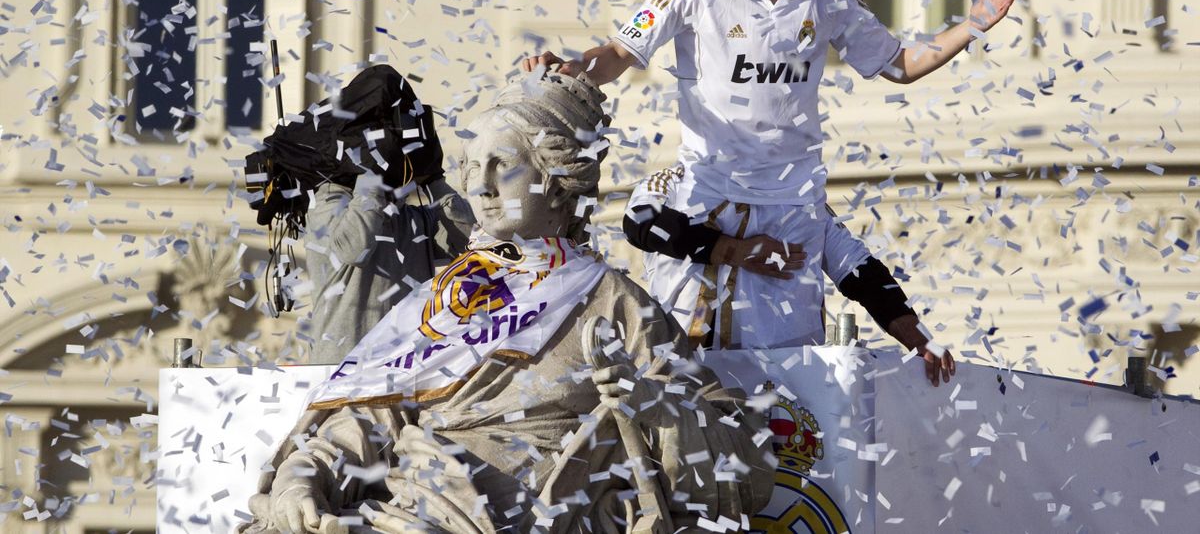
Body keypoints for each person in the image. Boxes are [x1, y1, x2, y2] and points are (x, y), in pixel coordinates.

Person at [522, 0, 1023, 386]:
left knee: (790, 401)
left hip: (792, 197)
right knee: (682, 391)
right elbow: (622, 53)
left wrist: (972, 26)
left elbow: (900, 65)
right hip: (712, 186)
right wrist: (572, 68)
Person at [242, 73, 773, 534]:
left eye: (503, 164)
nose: (481, 185)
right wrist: (303, 478)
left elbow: (745, 472)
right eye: (473, 165)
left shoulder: (615, 302)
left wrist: (656, 407)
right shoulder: (447, 295)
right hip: (411, 504)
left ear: (558, 181)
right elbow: (371, 421)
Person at [625, 163, 926, 356]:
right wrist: (733, 251)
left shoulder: (801, 197)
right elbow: (638, 222)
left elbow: (859, 270)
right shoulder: (676, 182)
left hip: (791, 383)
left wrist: (922, 344)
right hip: (689, 375)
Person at [302, 69, 474, 364]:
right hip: (344, 375)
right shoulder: (327, 200)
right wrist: (372, 172)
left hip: (404, 372)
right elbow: (354, 246)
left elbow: (469, 238)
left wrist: (433, 178)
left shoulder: (407, 215)